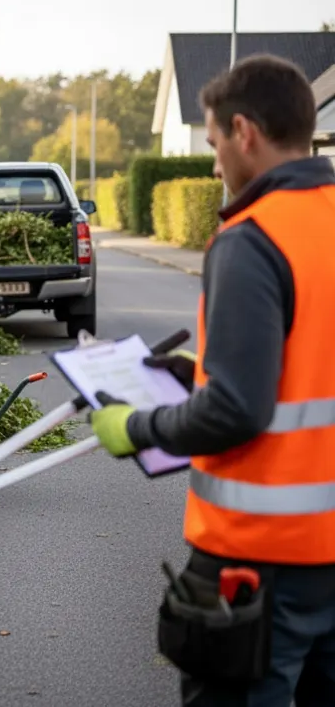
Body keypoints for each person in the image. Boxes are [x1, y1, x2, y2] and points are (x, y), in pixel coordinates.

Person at [89, 54, 335, 706]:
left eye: (215, 138)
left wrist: (135, 427)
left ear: (245, 132)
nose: (213, 157)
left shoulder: (252, 240)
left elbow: (238, 410)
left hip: (260, 558)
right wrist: (196, 372)